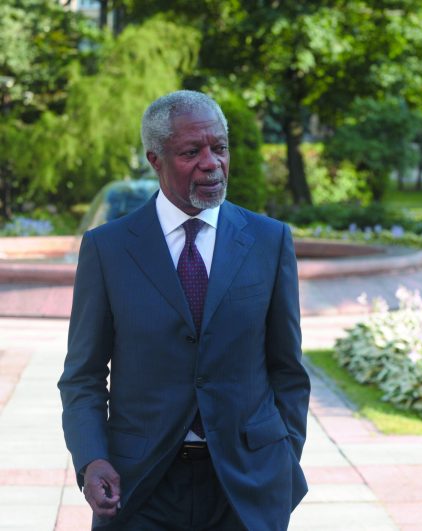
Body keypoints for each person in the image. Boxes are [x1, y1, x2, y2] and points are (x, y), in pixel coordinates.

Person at [58, 90, 310, 530]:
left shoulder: (270, 241)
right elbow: (83, 375)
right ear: (155, 160)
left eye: (220, 147)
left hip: (247, 486)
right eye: (191, 152)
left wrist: (283, 460)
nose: (211, 162)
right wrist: (91, 459)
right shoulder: (108, 249)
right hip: (140, 485)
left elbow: (287, 369)